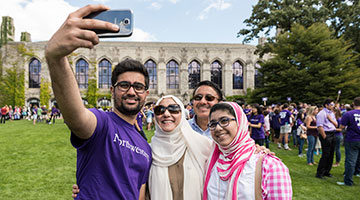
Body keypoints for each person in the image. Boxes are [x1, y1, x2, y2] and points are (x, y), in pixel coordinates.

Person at [45, 4, 151, 199]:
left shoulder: (146, 147)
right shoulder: (102, 123)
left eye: (138, 87)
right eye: (124, 85)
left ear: (145, 93)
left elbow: (139, 192)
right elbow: (77, 117)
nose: (131, 91)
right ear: (112, 90)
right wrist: (56, 59)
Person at [203, 102, 292, 199]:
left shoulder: (270, 166)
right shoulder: (211, 161)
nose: (218, 128)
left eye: (224, 121)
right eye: (212, 124)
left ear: (240, 122)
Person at [148, 95, 212, 199]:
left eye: (174, 109)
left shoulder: (202, 145)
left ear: (182, 114)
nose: (166, 114)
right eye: (160, 110)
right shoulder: (149, 151)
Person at [337, 97, 360, 186]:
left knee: (350, 161)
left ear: (354, 104)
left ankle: (348, 181)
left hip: (352, 139)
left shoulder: (348, 114)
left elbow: (342, 127)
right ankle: (357, 173)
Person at [315, 98, 337, 179]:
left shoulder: (331, 113)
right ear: (326, 105)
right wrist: (325, 137)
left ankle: (327, 171)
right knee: (326, 154)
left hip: (333, 133)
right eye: (331, 104)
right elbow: (320, 126)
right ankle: (320, 172)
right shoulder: (322, 113)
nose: (332, 106)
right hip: (326, 134)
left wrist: (330, 119)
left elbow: (336, 124)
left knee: (331, 154)